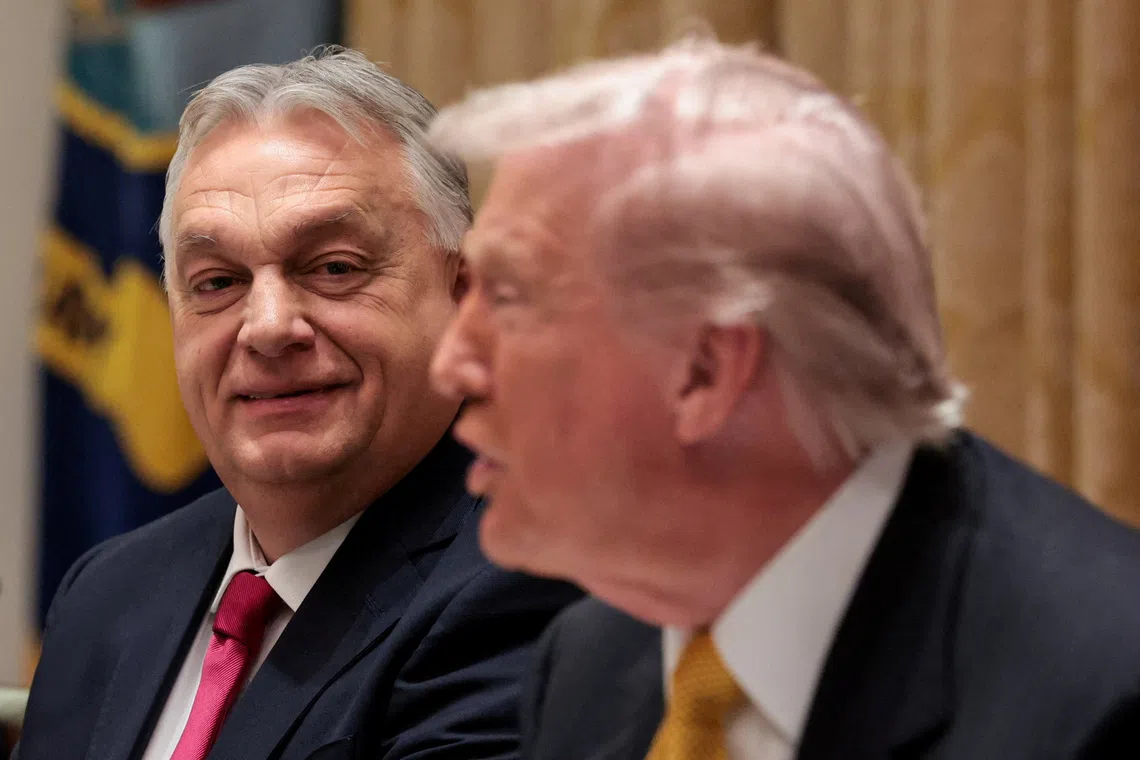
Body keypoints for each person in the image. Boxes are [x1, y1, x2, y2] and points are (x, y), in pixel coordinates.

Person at [426, 38, 1140, 760]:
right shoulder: (587, 664)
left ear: (706, 370)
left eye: (509, 299)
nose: (449, 364)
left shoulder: (1102, 696)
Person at [17, 47, 579, 760]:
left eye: (334, 268)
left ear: (465, 295)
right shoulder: (107, 593)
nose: (269, 326)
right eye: (217, 282)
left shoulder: (531, 582)